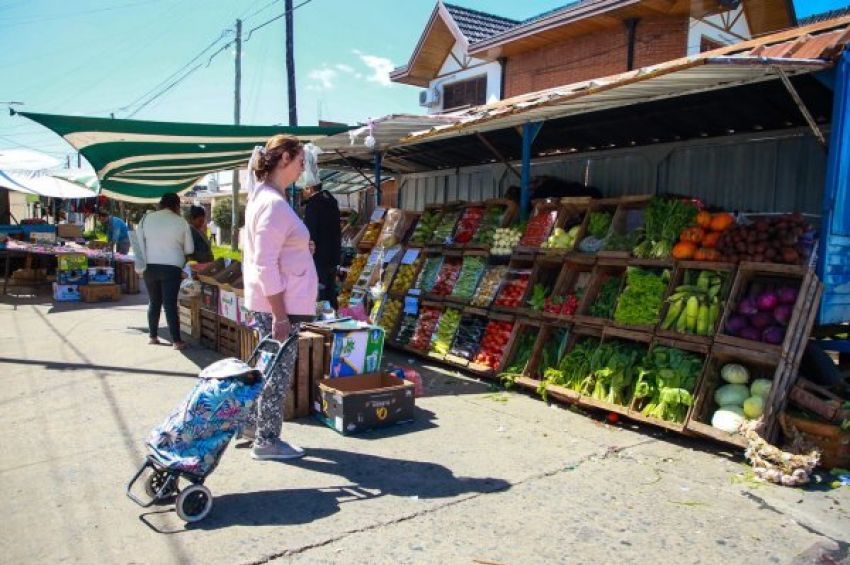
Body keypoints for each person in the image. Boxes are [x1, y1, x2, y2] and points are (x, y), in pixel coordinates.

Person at [243, 134, 318, 461]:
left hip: (275, 300)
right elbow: (264, 262)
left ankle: (251, 426)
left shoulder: (265, 196)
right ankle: (267, 441)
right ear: (285, 158)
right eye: (301, 160)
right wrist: (280, 316)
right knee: (276, 374)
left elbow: (274, 249)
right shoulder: (273, 204)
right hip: (280, 304)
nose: (303, 169)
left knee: (266, 369)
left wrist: (303, 247)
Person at [137, 193, 194, 350]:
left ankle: (153, 336)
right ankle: (176, 341)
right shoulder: (181, 221)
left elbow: (138, 241)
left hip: (150, 267)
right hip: (172, 268)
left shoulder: (146, 219)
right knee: (169, 304)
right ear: (177, 206)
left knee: (154, 302)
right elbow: (189, 248)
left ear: (160, 204)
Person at [302, 182, 341, 309]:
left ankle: (323, 323)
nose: (303, 192)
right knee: (331, 291)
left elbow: (310, 234)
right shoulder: (332, 201)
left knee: (321, 292)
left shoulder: (313, 205)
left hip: (319, 257)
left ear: (310, 188)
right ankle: (335, 317)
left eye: (304, 188)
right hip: (333, 256)